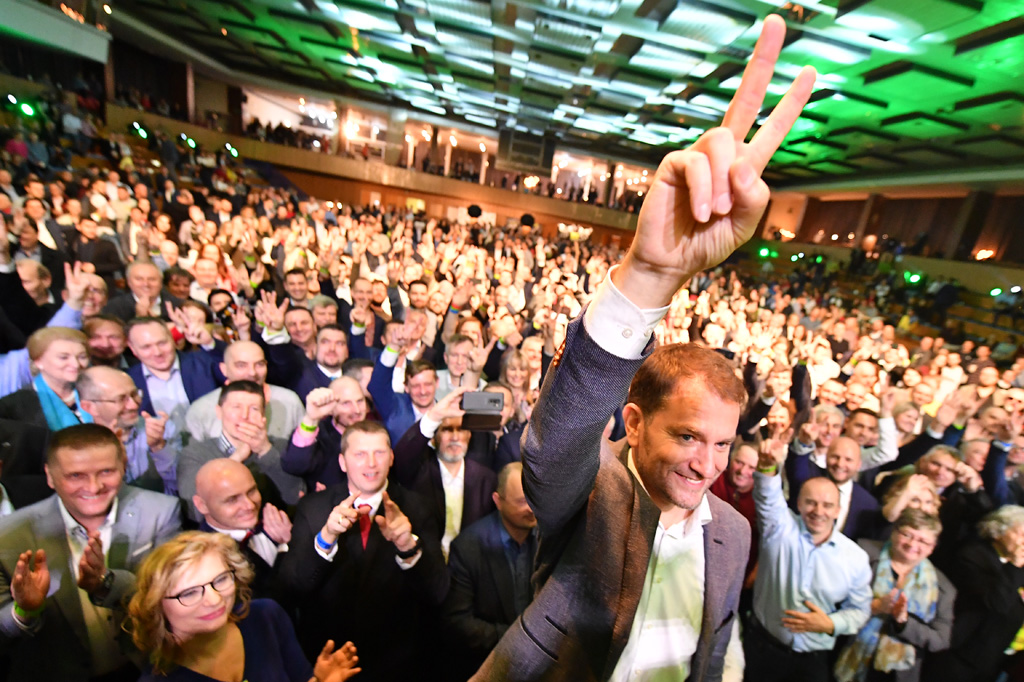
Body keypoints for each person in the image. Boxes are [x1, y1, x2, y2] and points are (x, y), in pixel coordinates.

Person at [477, 15, 815, 681]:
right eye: (689, 437)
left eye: (721, 444)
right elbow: (557, 437)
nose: (708, 465)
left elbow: (714, 655)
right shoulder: (592, 490)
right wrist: (652, 276)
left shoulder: (734, 530)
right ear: (633, 422)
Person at [0, 424, 181, 681]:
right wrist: (25, 610)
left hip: (145, 668)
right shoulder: (9, 535)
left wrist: (106, 584)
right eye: (76, 476)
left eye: (106, 471)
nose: (94, 487)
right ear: (50, 476)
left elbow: (168, 596)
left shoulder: (161, 511)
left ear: (123, 466)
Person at [277, 420, 449, 682]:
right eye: (360, 454)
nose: (371, 463)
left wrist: (407, 546)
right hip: (331, 661)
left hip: (399, 663)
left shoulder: (418, 508)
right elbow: (293, 587)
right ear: (343, 462)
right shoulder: (313, 508)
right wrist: (326, 538)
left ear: (391, 458)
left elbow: (437, 594)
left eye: (379, 453)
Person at [128, 531, 360, 682]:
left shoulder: (266, 616)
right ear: (157, 605)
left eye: (220, 580)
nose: (215, 599)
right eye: (190, 593)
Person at [747, 440, 872, 682]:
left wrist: (830, 623)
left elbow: (860, 610)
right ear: (799, 504)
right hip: (764, 651)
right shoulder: (779, 529)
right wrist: (766, 467)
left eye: (827, 505)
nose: (818, 511)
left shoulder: (856, 558)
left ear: (838, 510)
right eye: (811, 503)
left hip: (813, 661)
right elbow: (767, 495)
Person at [833, 509, 954, 682]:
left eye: (923, 541)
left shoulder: (943, 588)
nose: (912, 544)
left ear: (932, 548)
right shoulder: (862, 554)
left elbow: (940, 640)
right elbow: (832, 600)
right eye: (907, 534)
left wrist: (903, 623)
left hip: (896, 675)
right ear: (893, 532)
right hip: (843, 654)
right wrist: (874, 607)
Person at [442, 462, 537, 681]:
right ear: (498, 501)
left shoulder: (549, 538)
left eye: (535, 497)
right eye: (522, 501)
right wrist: (520, 639)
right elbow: (458, 623)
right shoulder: (468, 547)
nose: (532, 508)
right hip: (489, 665)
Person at [391, 387, 497, 557]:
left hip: (471, 567)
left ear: (469, 435)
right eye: (447, 430)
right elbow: (401, 459)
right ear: (434, 437)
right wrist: (433, 416)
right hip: (427, 561)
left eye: (461, 429)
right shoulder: (419, 471)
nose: (455, 437)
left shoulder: (486, 479)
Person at [924, 505, 1024, 682]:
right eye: (1020, 534)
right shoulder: (973, 555)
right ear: (997, 531)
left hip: (991, 661)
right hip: (959, 656)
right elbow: (998, 602)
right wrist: (1015, 566)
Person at [177, 381, 304, 519]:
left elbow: (296, 498)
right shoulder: (195, 454)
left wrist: (265, 451)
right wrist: (236, 459)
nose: (244, 415)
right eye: (236, 407)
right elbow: (194, 512)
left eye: (254, 408)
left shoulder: (282, 447)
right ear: (219, 412)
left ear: (263, 414)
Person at [192, 459, 292, 599]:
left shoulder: (274, 513)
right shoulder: (202, 559)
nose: (249, 505)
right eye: (232, 499)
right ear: (202, 505)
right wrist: (285, 547)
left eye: (251, 491)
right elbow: (269, 603)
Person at [77, 366, 178, 494]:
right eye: (121, 399)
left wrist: (159, 447)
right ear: (90, 407)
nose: (134, 405)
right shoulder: (78, 447)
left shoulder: (163, 429)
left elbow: (181, 484)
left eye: (135, 394)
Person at [185, 340, 304, 440]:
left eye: (259, 364)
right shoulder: (201, 409)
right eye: (241, 365)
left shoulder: (289, 401)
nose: (252, 372)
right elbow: (193, 460)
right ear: (224, 369)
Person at [282, 377, 369, 488]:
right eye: (346, 403)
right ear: (331, 407)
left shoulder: (376, 432)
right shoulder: (319, 437)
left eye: (360, 401)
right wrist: (311, 419)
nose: (357, 410)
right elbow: (294, 466)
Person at [103, 262, 183, 322]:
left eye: (152, 279)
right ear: (129, 282)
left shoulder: (179, 306)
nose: (146, 284)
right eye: (139, 279)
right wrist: (139, 318)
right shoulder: (114, 307)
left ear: (161, 282)